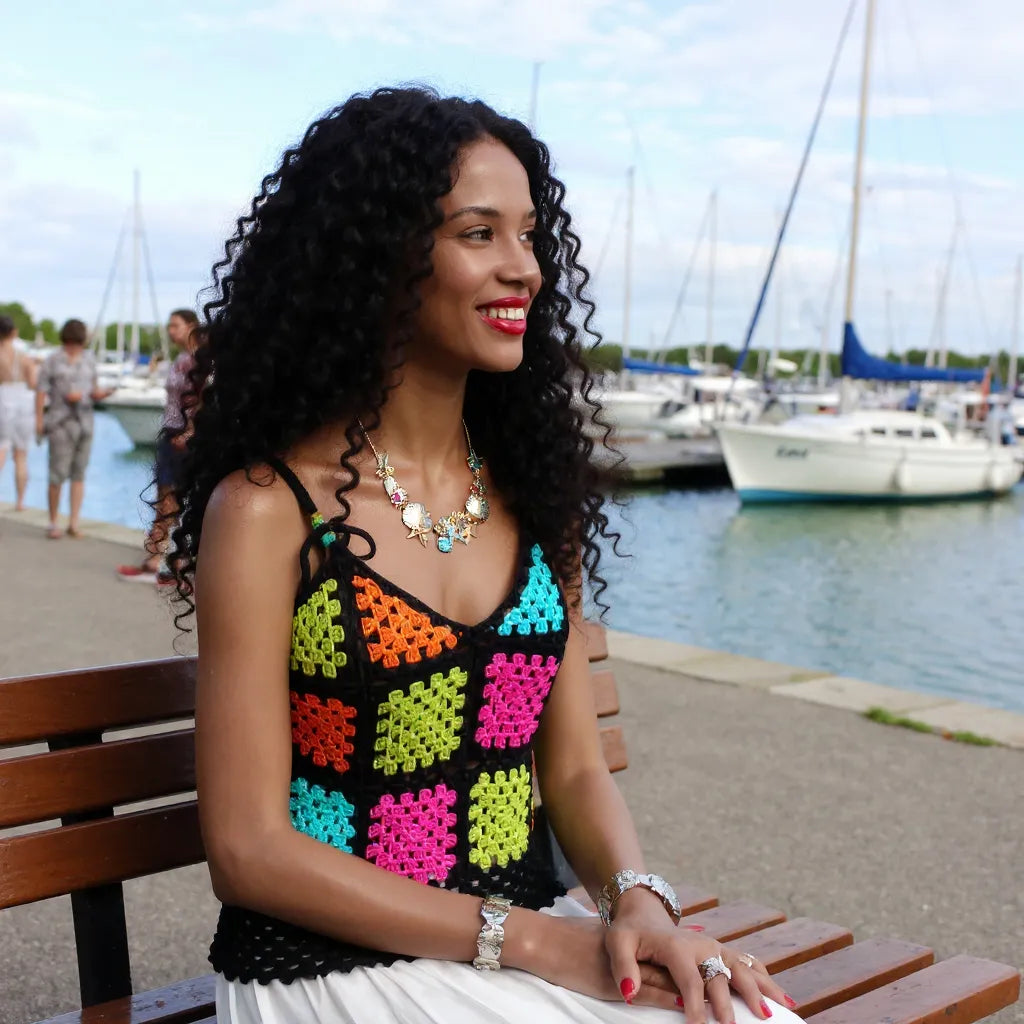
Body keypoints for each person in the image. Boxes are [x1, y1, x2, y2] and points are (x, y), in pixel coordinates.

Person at [169, 88, 803, 1024]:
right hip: (326, 968)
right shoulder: (270, 511)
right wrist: (541, 940)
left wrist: (636, 900)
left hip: (521, 944)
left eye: (531, 236)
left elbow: (578, 772)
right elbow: (250, 847)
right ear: (379, 259)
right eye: (480, 234)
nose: (526, 270)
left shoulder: (534, 495)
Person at [116, 309, 201, 582]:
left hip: (185, 439)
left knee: (177, 502)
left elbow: (204, 399)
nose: (170, 330)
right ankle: (158, 560)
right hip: (170, 435)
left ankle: (175, 563)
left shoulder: (200, 361)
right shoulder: (181, 358)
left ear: (191, 326)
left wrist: (189, 431)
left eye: (175, 325)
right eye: (169, 325)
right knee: (164, 501)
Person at [35, 318, 113, 539]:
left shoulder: (89, 360)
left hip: (85, 422)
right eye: (72, 342)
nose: (75, 347)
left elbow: (94, 387)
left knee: (79, 473)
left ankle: (74, 522)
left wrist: (99, 394)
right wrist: (39, 420)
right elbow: (41, 391)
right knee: (57, 473)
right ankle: (52, 522)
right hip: (60, 422)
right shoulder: (52, 360)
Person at [0, 315, 38, 510]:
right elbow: (33, 383)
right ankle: (20, 502)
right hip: (23, 400)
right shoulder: (24, 357)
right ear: (13, 332)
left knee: (1, 448)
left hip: (3, 398)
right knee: (21, 455)